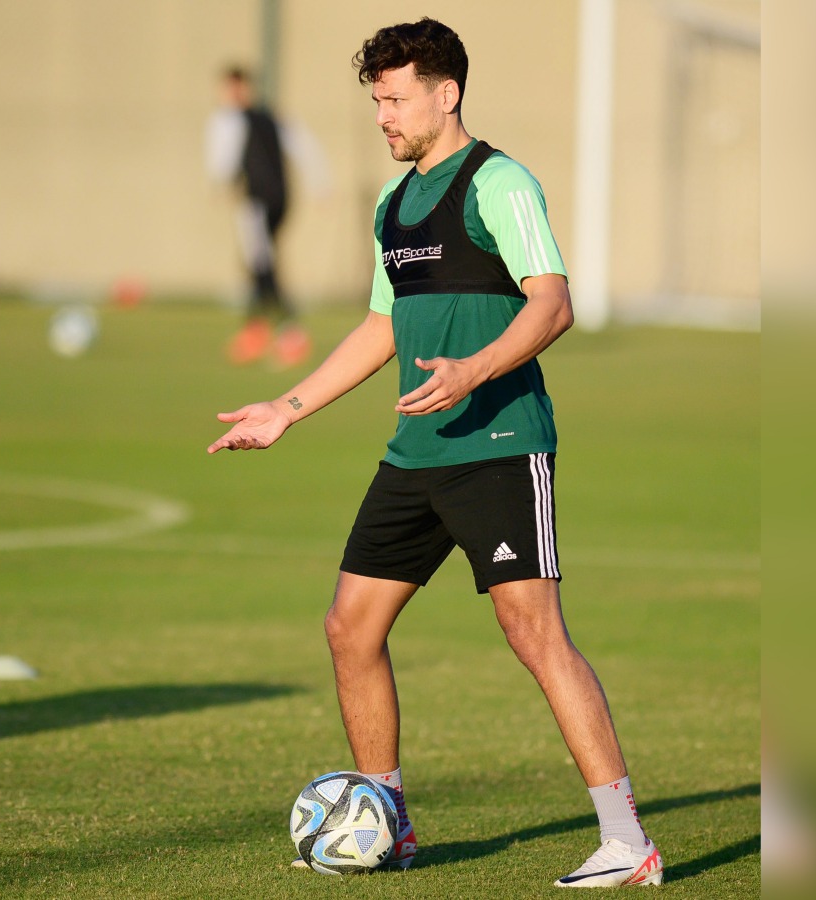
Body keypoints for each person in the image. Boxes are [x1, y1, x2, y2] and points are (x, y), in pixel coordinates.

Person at [208, 18, 662, 888]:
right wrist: (287, 407)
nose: (382, 115)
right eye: (375, 99)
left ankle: (626, 841)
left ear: (444, 93)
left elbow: (553, 304)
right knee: (350, 628)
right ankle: (390, 822)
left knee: (533, 633)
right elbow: (381, 326)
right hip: (414, 453)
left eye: (394, 98)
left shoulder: (501, 183)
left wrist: (475, 372)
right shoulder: (393, 206)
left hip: (499, 444)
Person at [205, 66, 326, 369]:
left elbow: (301, 147)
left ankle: (290, 330)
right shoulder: (262, 116)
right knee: (258, 261)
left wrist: (320, 183)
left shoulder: (236, 119)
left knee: (261, 263)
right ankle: (256, 330)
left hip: (260, 200)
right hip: (275, 199)